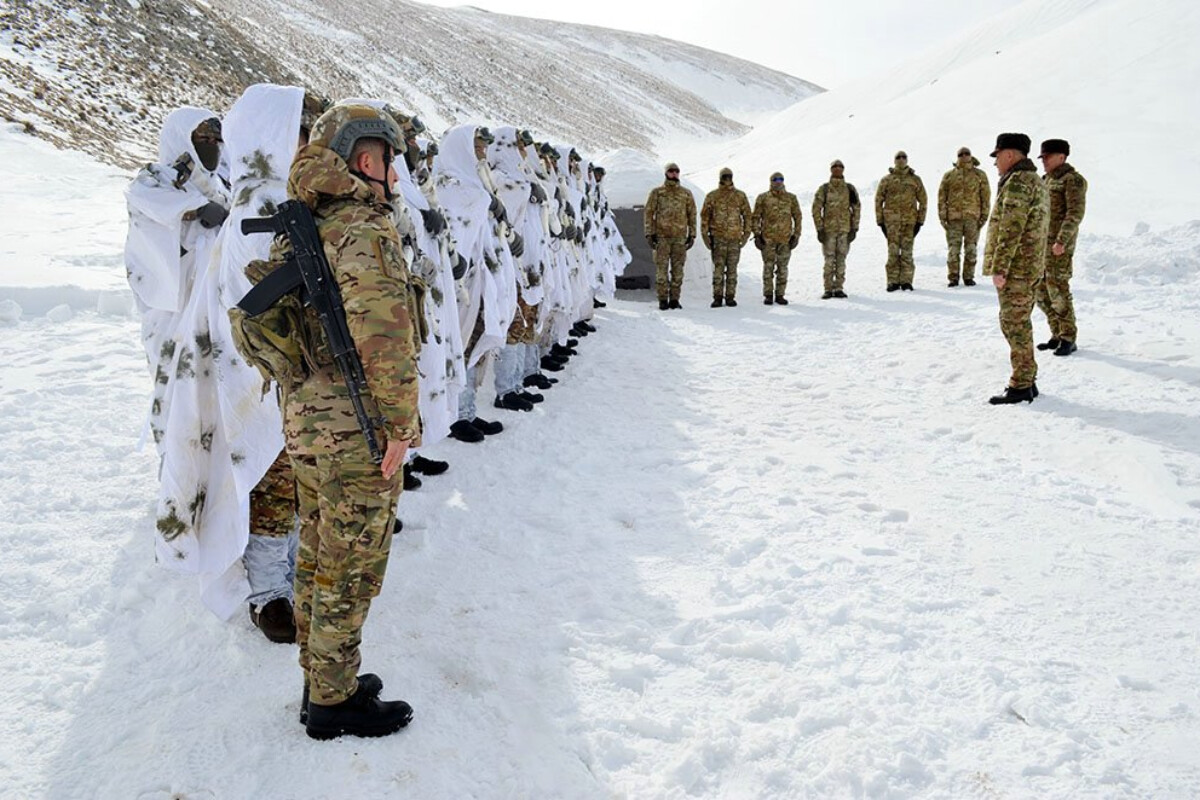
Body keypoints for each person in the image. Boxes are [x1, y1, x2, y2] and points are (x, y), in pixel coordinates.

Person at [284, 104, 419, 738]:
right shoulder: (362, 227)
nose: (397, 173)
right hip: (354, 426)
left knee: (318, 552)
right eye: (392, 160)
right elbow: (384, 336)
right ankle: (333, 706)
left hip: (310, 421)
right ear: (369, 159)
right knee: (351, 563)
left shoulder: (313, 221)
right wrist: (401, 426)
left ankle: (322, 678)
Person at [981, 132, 1049, 405]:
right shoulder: (1034, 180)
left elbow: (1011, 228)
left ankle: (1021, 384)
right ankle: (1027, 379)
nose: (996, 163)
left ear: (1009, 154)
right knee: (1018, 322)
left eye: (997, 156)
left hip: (1017, 268)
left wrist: (1000, 267)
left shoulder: (1019, 183)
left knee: (1014, 324)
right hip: (1028, 266)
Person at [1036, 138, 1088, 356]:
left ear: (1061, 156)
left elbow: (1074, 214)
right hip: (1040, 246)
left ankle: (1068, 336)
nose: (1044, 161)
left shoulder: (1073, 180)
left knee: (1058, 290)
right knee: (1041, 291)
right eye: (1043, 157)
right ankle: (1056, 333)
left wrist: (1061, 241)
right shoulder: (1045, 180)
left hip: (1058, 247)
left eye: (1047, 157)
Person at [643, 162, 696, 310]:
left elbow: (692, 214)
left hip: (680, 239)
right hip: (662, 238)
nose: (674, 174)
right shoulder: (657, 193)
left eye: (677, 171)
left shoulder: (686, 193)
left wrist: (692, 235)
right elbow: (648, 212)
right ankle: (662, 300)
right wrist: (649, 233)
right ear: (666, 173)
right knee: (662, 272)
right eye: (671, 171)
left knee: (678, 271)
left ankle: (674, 299)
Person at [937, 146, 990, 287]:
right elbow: (942, 198)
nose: (964, 156)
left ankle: (968, 277)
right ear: (957, 156)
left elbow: (985, 198)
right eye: (961, 154)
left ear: (971, 156)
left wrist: (984, 216)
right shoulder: (949, 176)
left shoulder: (979, 175)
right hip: (953, 219)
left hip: (972, 218)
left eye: (967, 154)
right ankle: (953, 278)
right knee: (953, 250)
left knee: (971, 249)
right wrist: (943, 217)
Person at [699, 167, 752, 307]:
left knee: (732, 270)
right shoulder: (712, 196)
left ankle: (730, 297)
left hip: (734, 239)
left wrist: (745, 235)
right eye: (724, 176)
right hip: (718, 239)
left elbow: (747, 216)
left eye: (729, 176)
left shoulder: (740, 196)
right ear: (720, 177)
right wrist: (705, 237)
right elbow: (704, 217)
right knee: (718, 270)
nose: (727, 179)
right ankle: (717, 297)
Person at [875, 151, 927, 292]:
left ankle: (906, 281)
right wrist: (880, 222)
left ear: (907, 160)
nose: (901, 159)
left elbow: (923, 201)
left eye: (904, 157)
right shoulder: (887, 180)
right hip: (891, 223)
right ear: (894, 160)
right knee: (892, 253)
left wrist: (920, 222)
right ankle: (892, 281)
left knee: (907, 253)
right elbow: (878, 200)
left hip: (909, 223)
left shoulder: (915, 180)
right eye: (898, 157)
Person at [811, 160, 860, 299]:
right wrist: (819, 229)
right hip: (829, 231)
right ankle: (828, 288)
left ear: (844, 169)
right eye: (835, 166)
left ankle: (839, 287)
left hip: (844, 230)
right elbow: (816, 208)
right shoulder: (824, 189)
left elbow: (856, 208)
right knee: (828, 260)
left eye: (840, 166)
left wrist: (854, 228)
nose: (837, 168)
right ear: (830, 169)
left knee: (841, 259)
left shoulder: (850, 189)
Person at [751, 172, 802, 305]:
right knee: (768, 267)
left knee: (782, 268)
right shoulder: (763, 198)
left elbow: (797, 217)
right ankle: (768, 294)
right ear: (771, 181)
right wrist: (757, 235)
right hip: (768, 240)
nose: (778, 182)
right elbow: (755, 217)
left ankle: (780, 294)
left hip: (785, 240)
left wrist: (796, 235)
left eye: (780, 179)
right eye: (775, 179)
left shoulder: (791, 198)